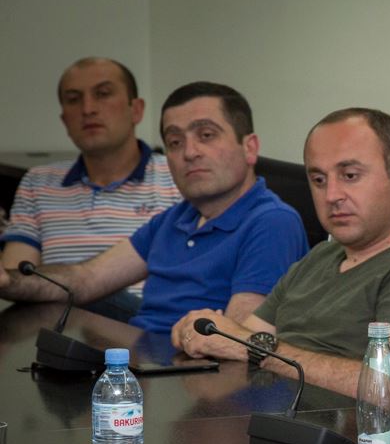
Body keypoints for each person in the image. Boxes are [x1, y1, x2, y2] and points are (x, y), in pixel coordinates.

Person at [171, 108, 390, 398]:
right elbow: (239, 338)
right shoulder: (321, 257)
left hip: (347, 435)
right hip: (259, 414)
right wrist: (202, 335)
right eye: (319, 180)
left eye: (350, 176)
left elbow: (383, 386)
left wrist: (254, 348)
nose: (331, 195)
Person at [0, 81, 308, 333]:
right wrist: (8, 280)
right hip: (142, 364)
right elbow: (86, 278)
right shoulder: (175, 218)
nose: (189, 152)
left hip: (190, 379)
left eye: (206, 135)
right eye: (175, 142)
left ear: (250, 148)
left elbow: (238, 344)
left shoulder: (272, 222)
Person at [0, 57, 181, 321]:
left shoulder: (177, 176)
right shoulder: (38, 182)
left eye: (103, 94)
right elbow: (14, 279)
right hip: (58, 331)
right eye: (74, 99)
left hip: (148, 329)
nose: (88, 109)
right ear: (64, 119)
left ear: (136, 110)